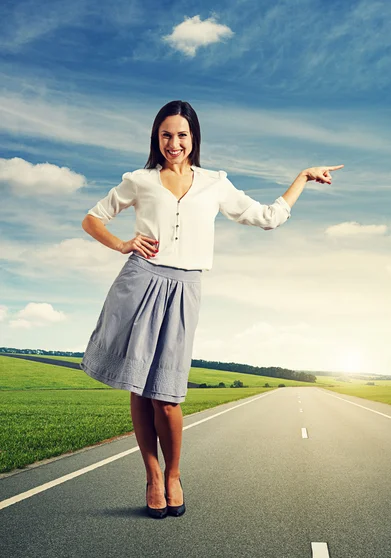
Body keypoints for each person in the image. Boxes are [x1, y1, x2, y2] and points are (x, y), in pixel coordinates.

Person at [79, 99, 343, 519]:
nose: (174, 143)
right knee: (139, 389)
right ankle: (151, 475)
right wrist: (124, 243)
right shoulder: (139, 180)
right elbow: (93, 219)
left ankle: (174, 474)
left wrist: (302, 178)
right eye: (166, 135)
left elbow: (268, 217)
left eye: (181, 135)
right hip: (139, 281)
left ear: (193, 138)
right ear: (156, 137)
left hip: (186, 289)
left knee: (166, 397)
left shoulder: (214, 183)